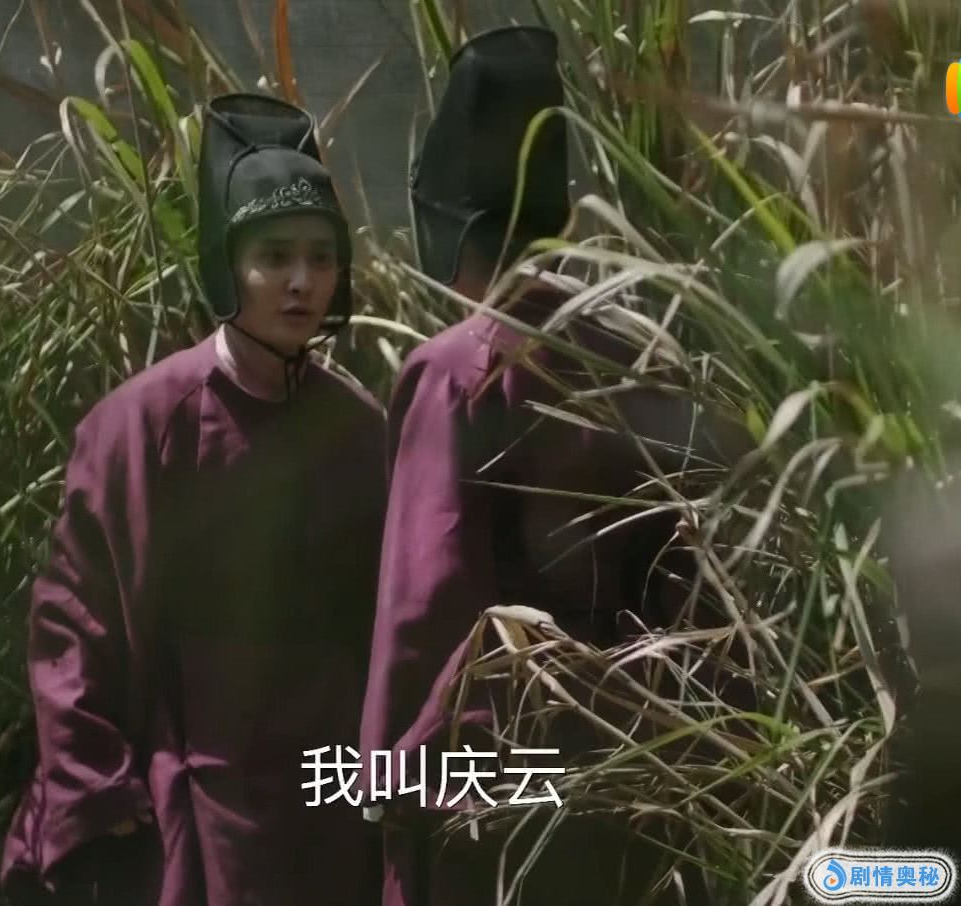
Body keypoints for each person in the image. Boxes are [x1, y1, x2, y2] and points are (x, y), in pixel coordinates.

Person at [359, 26, 724, 906]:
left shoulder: (459, 369)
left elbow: (429, 603)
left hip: (494, 784)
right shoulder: (643, 353)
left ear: (448, 222)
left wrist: (390, 776)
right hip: (630, 765)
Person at [0, 93, 387, 906]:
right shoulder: (141, 425)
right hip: (190, 787)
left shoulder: (360, 428)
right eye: (274, 256)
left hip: (328, 796)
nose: (302, 282)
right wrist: (93, 780)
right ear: (227, 262)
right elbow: (75, 617)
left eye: (321, 258)